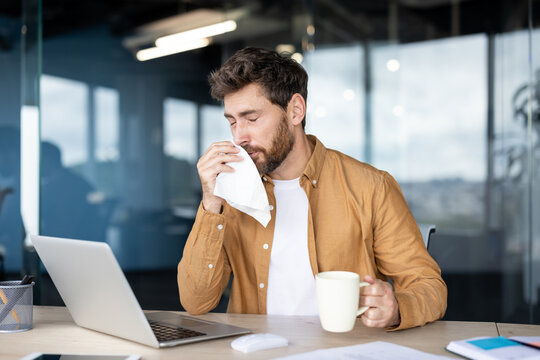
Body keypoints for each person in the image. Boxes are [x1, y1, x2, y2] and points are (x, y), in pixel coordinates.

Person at [178, 47, 447, 330]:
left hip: (344, 351)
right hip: (256, 351)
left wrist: (396, 309)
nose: (239, 136)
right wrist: (211, 202)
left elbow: (429, 286)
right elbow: (196, 302)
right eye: (232, 121)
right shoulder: (231, 193)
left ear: (295, 110)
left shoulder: (370, 187)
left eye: (252, 119)